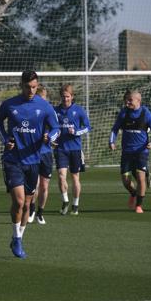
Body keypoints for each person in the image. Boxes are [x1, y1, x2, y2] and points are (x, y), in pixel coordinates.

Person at [0, 70, 59, 259]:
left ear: (37, 85)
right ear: (21, 85)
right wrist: (5, 139)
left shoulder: (45, 106)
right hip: (12, 160)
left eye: (34, 87)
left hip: (34, 160)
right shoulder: (9, 104)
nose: (31, 90)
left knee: (28, 204)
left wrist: (50, 137)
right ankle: (16, 237)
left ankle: (18, 238)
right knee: (19, 201)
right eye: (27, 86)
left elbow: (55, 128)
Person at [110, 89, 151, 213]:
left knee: (140, 178)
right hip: (127, 152)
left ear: (138, 101)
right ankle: (133, 193)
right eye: (126, 100)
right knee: (126, 180)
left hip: (141, 151)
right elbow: (114, 129)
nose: (127, 102)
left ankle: (139, 205)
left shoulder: (146, 114)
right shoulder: (124, 113)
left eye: (130, 100)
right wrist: (111, 142)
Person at [54, 85, 91, 216]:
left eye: (68, 96)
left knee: (75, 177)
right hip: (60, 149)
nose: (65, 99)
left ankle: (75, 204)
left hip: (75, 149)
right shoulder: (55, 111)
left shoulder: (79, 110)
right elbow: (49, 126)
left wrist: (76, 132)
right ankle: (65, 201)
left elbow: (87, 127)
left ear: (72, 96)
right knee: (61, 175)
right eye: (63, 96)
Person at [28, 84, 55, 225]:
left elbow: (56, 130)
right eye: (40, 98)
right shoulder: (31, 112)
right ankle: (31, 209)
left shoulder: (50, 111)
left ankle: (40, 212)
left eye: (44, 98)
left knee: (44, 185)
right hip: (33, 153)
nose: (42, 101)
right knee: (35, 184)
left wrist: (51, 137)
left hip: (46, 154)